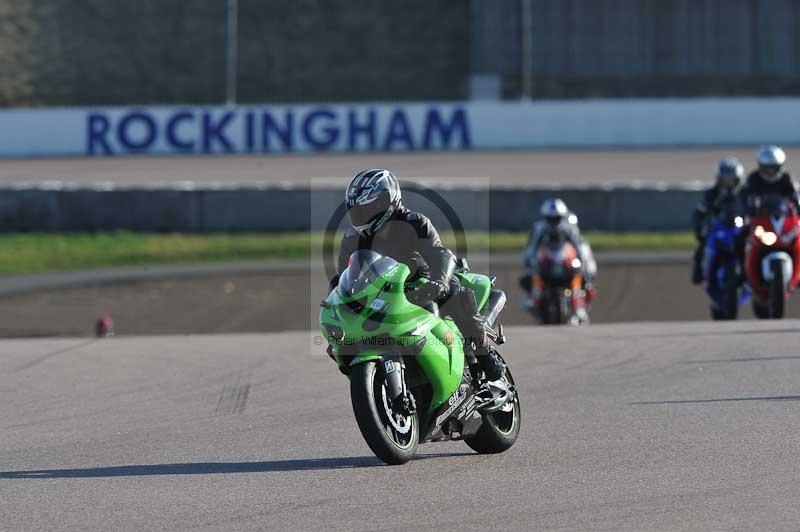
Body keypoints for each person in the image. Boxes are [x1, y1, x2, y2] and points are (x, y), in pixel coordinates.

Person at [330, 168, 506, 383]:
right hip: (384, 294)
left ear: (386, 200)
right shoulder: (351, 238)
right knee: (341, 341)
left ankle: (484, 355)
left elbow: (440, 254)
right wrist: (337, 306)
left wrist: (438, 283)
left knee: (455, 294)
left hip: (423, 282)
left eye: (366, 209)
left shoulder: (414, 222)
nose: (360, 216)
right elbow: (344, 279)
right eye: (356, 211)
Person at [520, 198, 597, 307]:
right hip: (547, 262)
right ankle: (534, 298)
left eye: (556, 218)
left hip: (565, 261)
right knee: (532, 275)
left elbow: (578, 246)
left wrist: (582, 261)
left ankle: (578, 302)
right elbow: (532, 247)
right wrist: (530, 260)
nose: (553, 222)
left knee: (581, 275)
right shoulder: (539, 228)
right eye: (550, 218)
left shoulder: (568, 229)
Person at [691, 157, 745, 285]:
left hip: (738, 227)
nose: (728, 183)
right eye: (725, 179)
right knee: (703, 245)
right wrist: (700, 228)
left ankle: (749, 274)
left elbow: (753, 209)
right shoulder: (712, 193)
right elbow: (700, 212)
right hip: (719, 226)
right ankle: (698, 270)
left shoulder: (744, 194)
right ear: (719, 179)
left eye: (731, 179)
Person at [739, 145, 799, 214]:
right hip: (759, 218)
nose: (770, 171)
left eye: (774, 168)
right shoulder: (753, 179)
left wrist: (794, 208)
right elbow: (744, 199)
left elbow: (795, 197)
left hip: (783, 217)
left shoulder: (787, 178)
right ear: (761, 166)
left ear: (780, 166)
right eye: (767, 168)